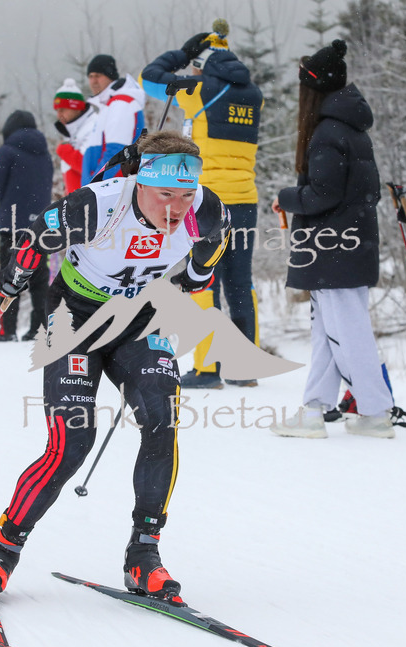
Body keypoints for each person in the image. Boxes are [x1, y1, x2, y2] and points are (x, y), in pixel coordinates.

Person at [0, 130, 231, 603]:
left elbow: (209, 251)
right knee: (72, 441)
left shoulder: (206, 209)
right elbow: (34, 240)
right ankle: (3, 548)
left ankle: (143, 555)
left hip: (139, 321)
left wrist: (195, 275)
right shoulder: (96, 205)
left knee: (161, 419)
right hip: (74, 318)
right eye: (164, 195)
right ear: (139, 184)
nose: (176, 208)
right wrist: (12, 278)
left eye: (186, 195)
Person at [270, 40, 395, 439]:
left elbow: (324, 194)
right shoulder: (352, 130)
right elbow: (366, 194)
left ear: (314, 89)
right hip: (349, 245)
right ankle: (314, 411)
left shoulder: (326, 133)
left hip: (333, 249)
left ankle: (376, 412)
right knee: (327, 333)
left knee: (347, 331)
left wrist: (285, 197)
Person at [141, 19, 264, 389]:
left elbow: (151, 78)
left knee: (202, 278)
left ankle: (207, 367)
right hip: (245, 197)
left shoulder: (199, 89)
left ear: (203, 66)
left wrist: (185, 52)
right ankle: (245, 366)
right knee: (241, 282)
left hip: (208, 200)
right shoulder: (254, 94)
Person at [0, 110, 54, 342]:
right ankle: (40, 327)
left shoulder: (6, 152)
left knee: (10, 276)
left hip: (12, 224)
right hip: (40, 225)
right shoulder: (45, 154)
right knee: (39, 277)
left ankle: (8, 329)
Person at [81, 54, 146, 185]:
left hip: (110, 188)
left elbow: (116, 152)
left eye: (98, 76)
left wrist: (95, 184)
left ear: (110, 76)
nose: (93, 81)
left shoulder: (121, 104)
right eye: (91, 76)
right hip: (105, 187)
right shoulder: (111, 104)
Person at [52, 78, 96, 194]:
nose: (59, 114)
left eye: (62, 109)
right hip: (79, 202)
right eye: (57, 110)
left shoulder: (92, 127)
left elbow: (87, 165)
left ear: (76, 108)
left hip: (89, 201)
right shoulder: (74, 130)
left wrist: (63, 150)